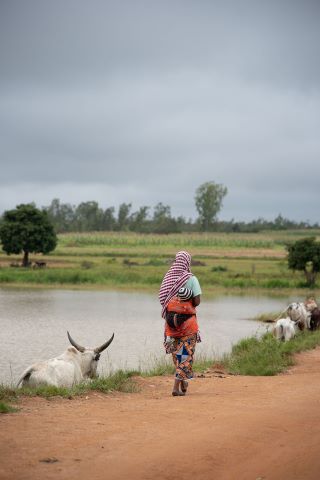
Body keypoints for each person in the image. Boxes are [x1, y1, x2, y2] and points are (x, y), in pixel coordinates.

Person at [159, 250, 201, 396]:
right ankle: (175, 388)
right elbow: (197, 301)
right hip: (188, 326)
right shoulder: (191, 279)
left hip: (170, 325)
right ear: (187, 262)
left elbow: (162, 298)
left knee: (177, 355)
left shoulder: (168, 277)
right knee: (185, 355)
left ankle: (183, 381)